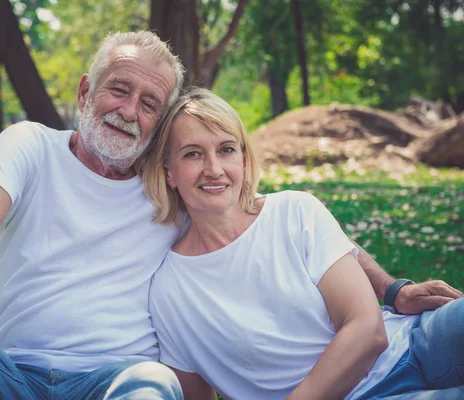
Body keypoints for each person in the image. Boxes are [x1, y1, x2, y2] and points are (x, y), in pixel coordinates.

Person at [0, 31, 458, 400]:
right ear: (83, 91)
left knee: (151, 386)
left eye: (149, 103)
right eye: (118, 90)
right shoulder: (30, 147)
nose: (128, 111)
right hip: (4, 375)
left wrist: (393, 288)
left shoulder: (175, 191)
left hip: (114, 382)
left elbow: (285, 220)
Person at [138, 87, 464, 400]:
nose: (214, 169)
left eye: (226, 150)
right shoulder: (170, 292)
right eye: (193, 154)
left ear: (243, 159)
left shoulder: (294, 212)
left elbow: (368, 330)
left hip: (413, 342)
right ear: (169, 172)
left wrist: (394, 291)